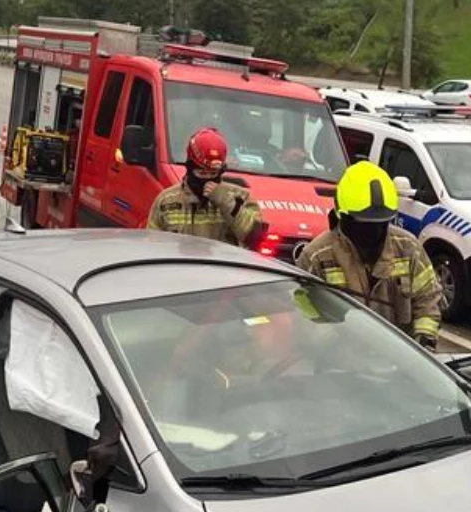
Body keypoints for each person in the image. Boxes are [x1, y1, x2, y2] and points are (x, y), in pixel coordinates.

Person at [297, 161, 441, 347]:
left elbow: (428, 299)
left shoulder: (408, 247)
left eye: (381, 223)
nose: (374, 231)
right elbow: (306, 317)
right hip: (340, 367)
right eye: (364, 224)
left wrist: (424, 339)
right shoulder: (316, 257)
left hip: (401, 363)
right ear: (342, 216)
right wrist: (333, 346)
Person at [146, 127, 265, 246]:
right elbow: (153, 245)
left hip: (221, 264)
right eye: (202, 173)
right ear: (189, 168)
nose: (208, 179)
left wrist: (226, 202)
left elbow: (254, 238)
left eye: (213, 174)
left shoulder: (241, 198)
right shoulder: (166, 200)